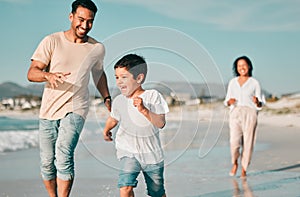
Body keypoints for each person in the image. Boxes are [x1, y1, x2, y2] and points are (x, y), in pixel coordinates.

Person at [27, 0, 111, 196]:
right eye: (81, 19)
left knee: (64, 153)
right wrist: (48, 75)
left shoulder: (97, 48)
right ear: (71, 16)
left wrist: (106, 96)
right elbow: (32, 73)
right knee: (47, 161)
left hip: (77, 107)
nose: (85, 25)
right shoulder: (52, 41)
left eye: (90, 21)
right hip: (49, 109)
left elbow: (99, 74)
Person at [102, 54, 168, 197]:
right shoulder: (119, 100)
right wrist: (106, 130)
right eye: (116, 77)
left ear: (139, 78)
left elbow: (161, 123)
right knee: (125, 186)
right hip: (128, 152)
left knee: (156, 192)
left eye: (124, 77)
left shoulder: (152, 96)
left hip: (152, 154)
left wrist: (144, 110)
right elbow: (113, 118)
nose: (119, 82)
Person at [224, 55, 263, 178]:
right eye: (239, 65)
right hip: (235, 112)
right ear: (236, 68)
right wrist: (229, 102)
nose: (242, 67)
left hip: (250, 113)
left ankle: (244, 168)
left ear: (249, 66)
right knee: (234, 142)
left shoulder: (254, 82)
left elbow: (260, 102)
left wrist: (257, 101)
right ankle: (235, 162)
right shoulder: (232, 82)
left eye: (244, 65)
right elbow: (226, 101)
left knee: (248, 142)